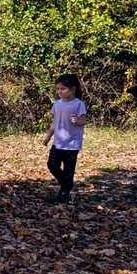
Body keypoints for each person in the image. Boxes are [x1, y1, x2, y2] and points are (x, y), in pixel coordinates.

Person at [44, 74, 88, 204]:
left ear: (73, 89)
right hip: (58, 142)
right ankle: (67, 184)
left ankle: (63, 194)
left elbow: (83, 120)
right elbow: (54, 123)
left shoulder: (78, 104)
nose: (59, 91)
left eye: (63, 89)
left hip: (72, 143)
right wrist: (47, 138)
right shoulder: (57, 104)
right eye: (57, 89)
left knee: (68, 169)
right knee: (52, 165)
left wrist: (77, 120)